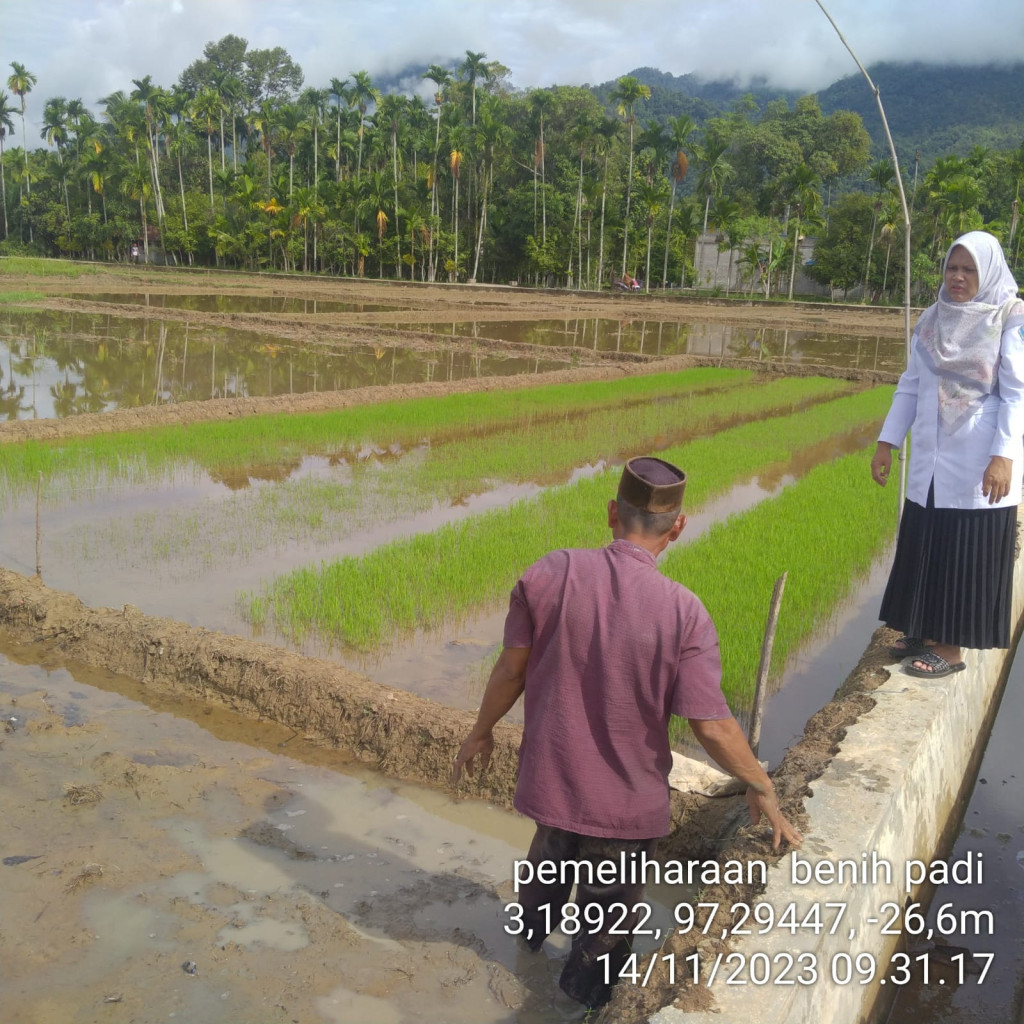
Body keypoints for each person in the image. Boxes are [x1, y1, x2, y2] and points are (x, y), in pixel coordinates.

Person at [453, 456, 802, 1009]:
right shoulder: (685, 614)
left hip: (553, 785)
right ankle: (575, 1003)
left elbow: (511, 669)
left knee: (546, 867)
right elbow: (710, 724)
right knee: (600, 945)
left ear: (613, 512)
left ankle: (528, 948)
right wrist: (761, 783)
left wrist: (481, 730)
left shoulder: (549, 573)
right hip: (622, 810)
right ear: (679, 527)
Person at [871, 231, 1024, 678]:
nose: (958, 277)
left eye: (968, 269)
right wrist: (888, 441)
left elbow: (1017, 395)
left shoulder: (1009, 317)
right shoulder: (933, 317)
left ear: (988, 272)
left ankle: (951, 649)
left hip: (978, 454)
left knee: (963, 545)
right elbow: (911, 383)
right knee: (927, 535)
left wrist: (1003, 456)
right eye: (952, 268)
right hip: (932, 453)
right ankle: (921, 628)